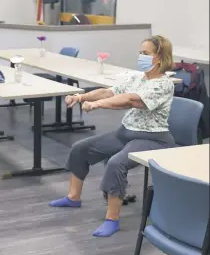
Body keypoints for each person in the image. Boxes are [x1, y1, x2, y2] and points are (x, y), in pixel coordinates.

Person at [49, 35, 176, 237]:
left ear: (159, 57)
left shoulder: (164, 85)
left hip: (153, 139)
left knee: (116, 163)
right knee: (81, 149)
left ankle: (112, 219)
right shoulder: (138, 78)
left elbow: (130, 101)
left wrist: (96, 105)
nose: (140, 56)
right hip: (126, 133)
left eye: (146, 53)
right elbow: (110, 92)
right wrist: (80, 96)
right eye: (140, 52)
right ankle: (73, 198)